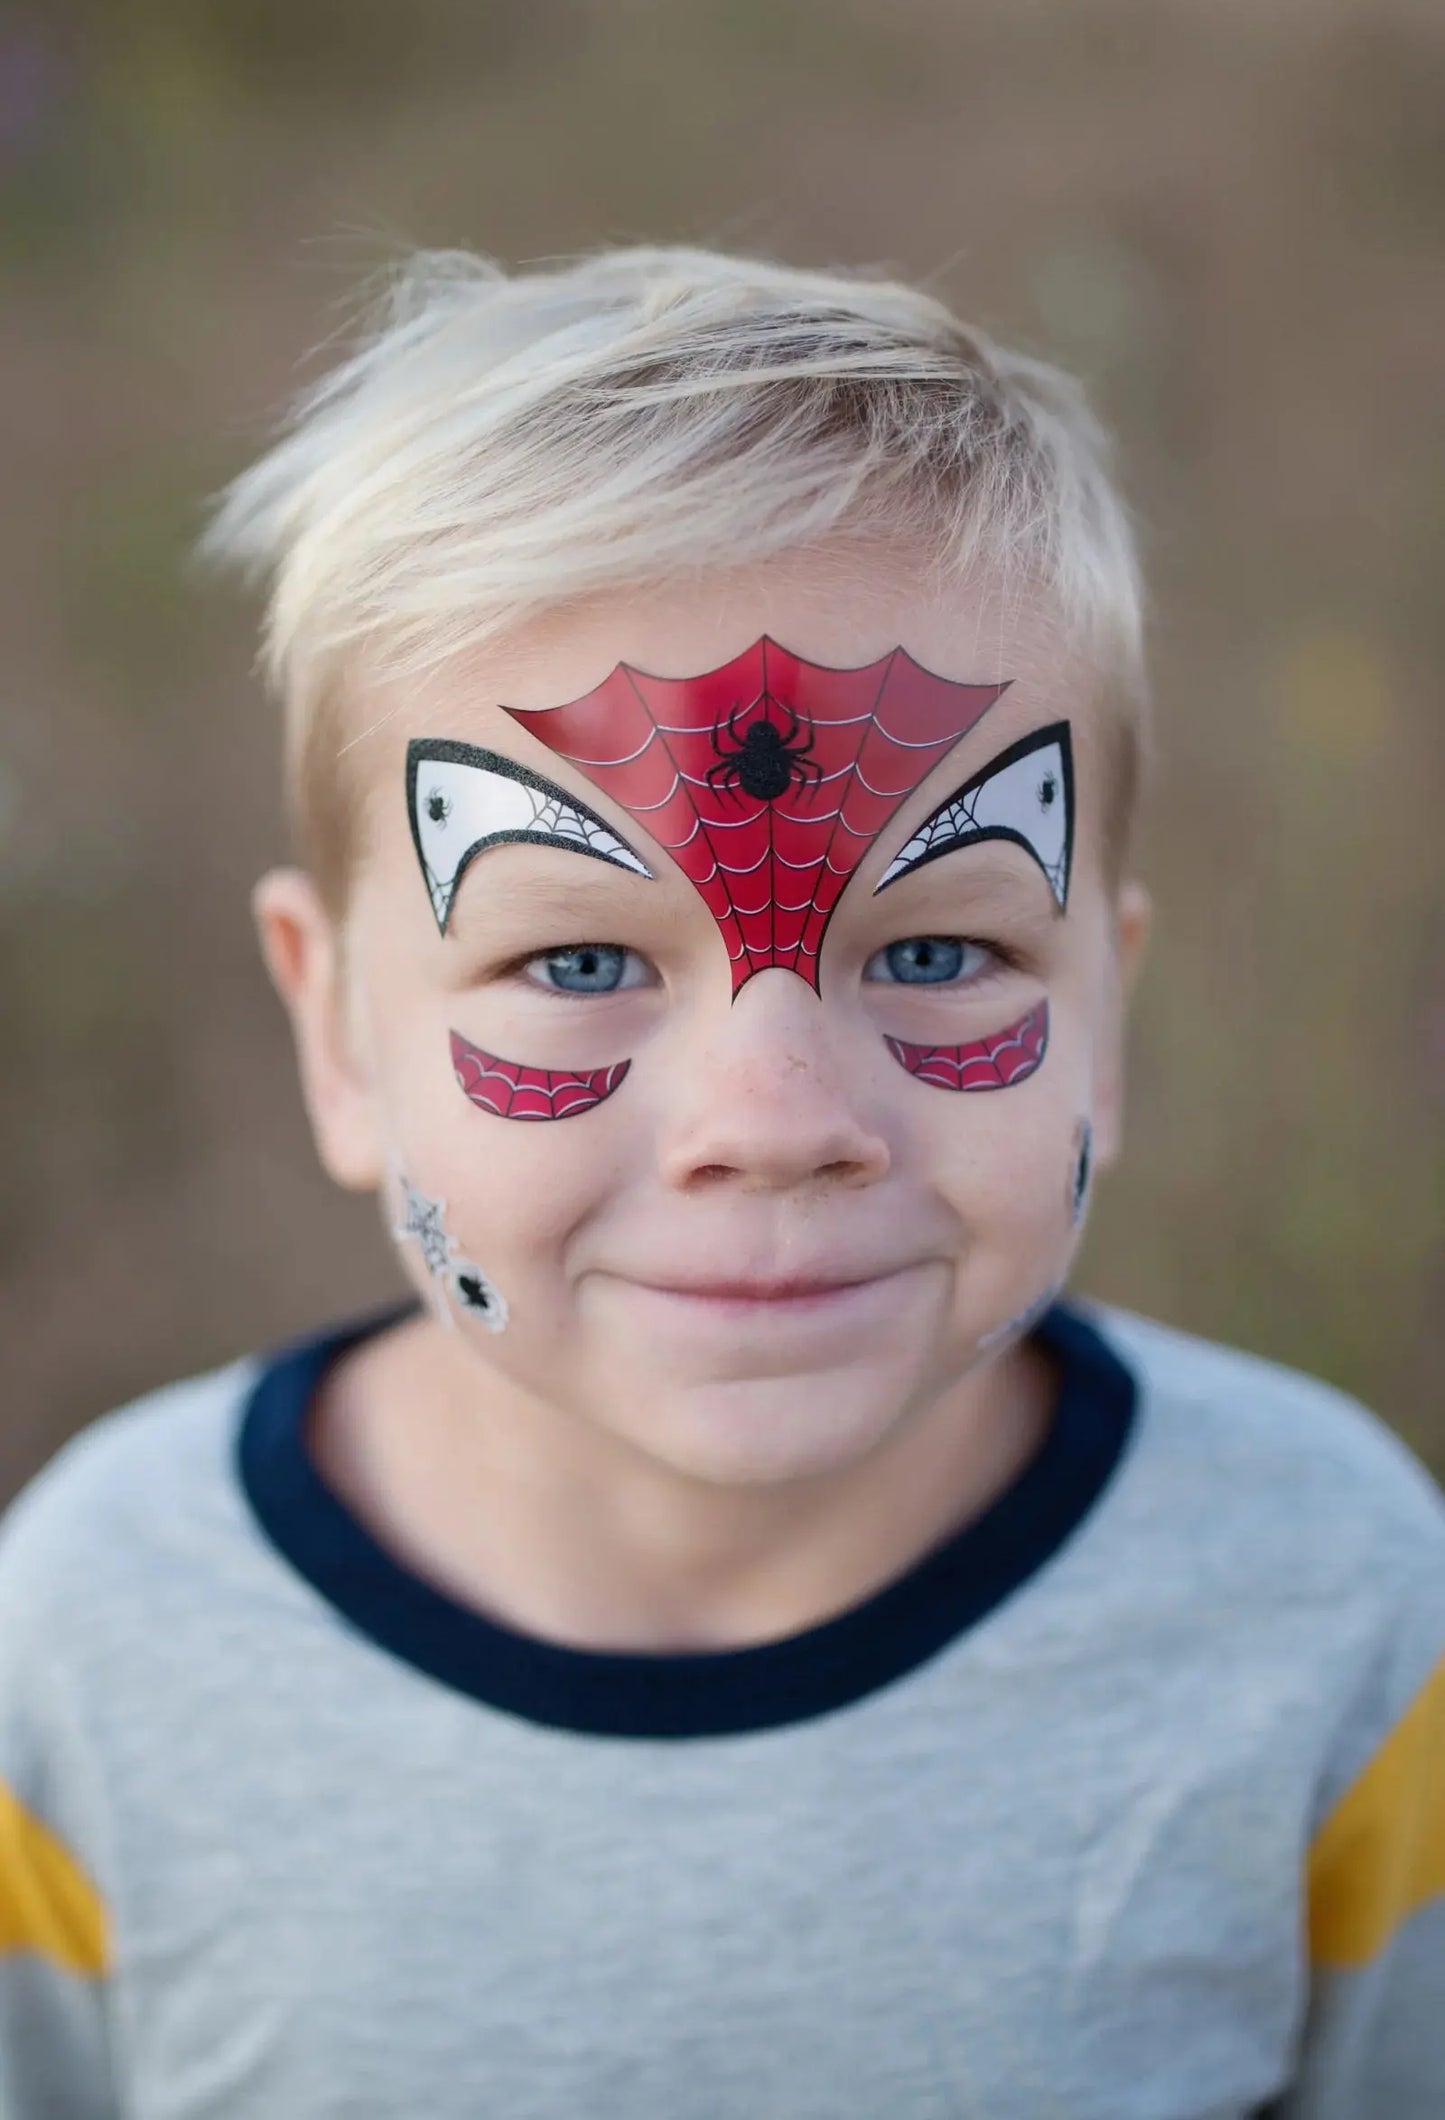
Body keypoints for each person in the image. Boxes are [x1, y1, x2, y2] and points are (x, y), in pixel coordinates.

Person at [1, 245, 1440, 2120]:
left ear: (1106, 1011)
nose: (770, 1118)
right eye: (578, 964)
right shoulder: (89, 1651)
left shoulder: (1333, 1613)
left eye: (935, 954)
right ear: (341, 1036)